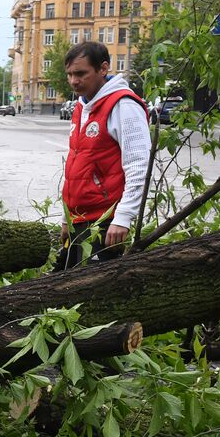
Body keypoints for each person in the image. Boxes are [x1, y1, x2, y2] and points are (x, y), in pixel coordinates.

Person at [56, 41, 149, 271]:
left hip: (106, 224)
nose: (73, 81)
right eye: (69, 74)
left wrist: (123, 217)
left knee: (98, 294)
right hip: (79, 219)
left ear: (103, 68)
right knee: (61, 288)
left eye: (80, 73)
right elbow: (78, 167)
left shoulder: (123, 106)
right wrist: (66, 219)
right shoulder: (82, 106)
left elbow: (139, 164)